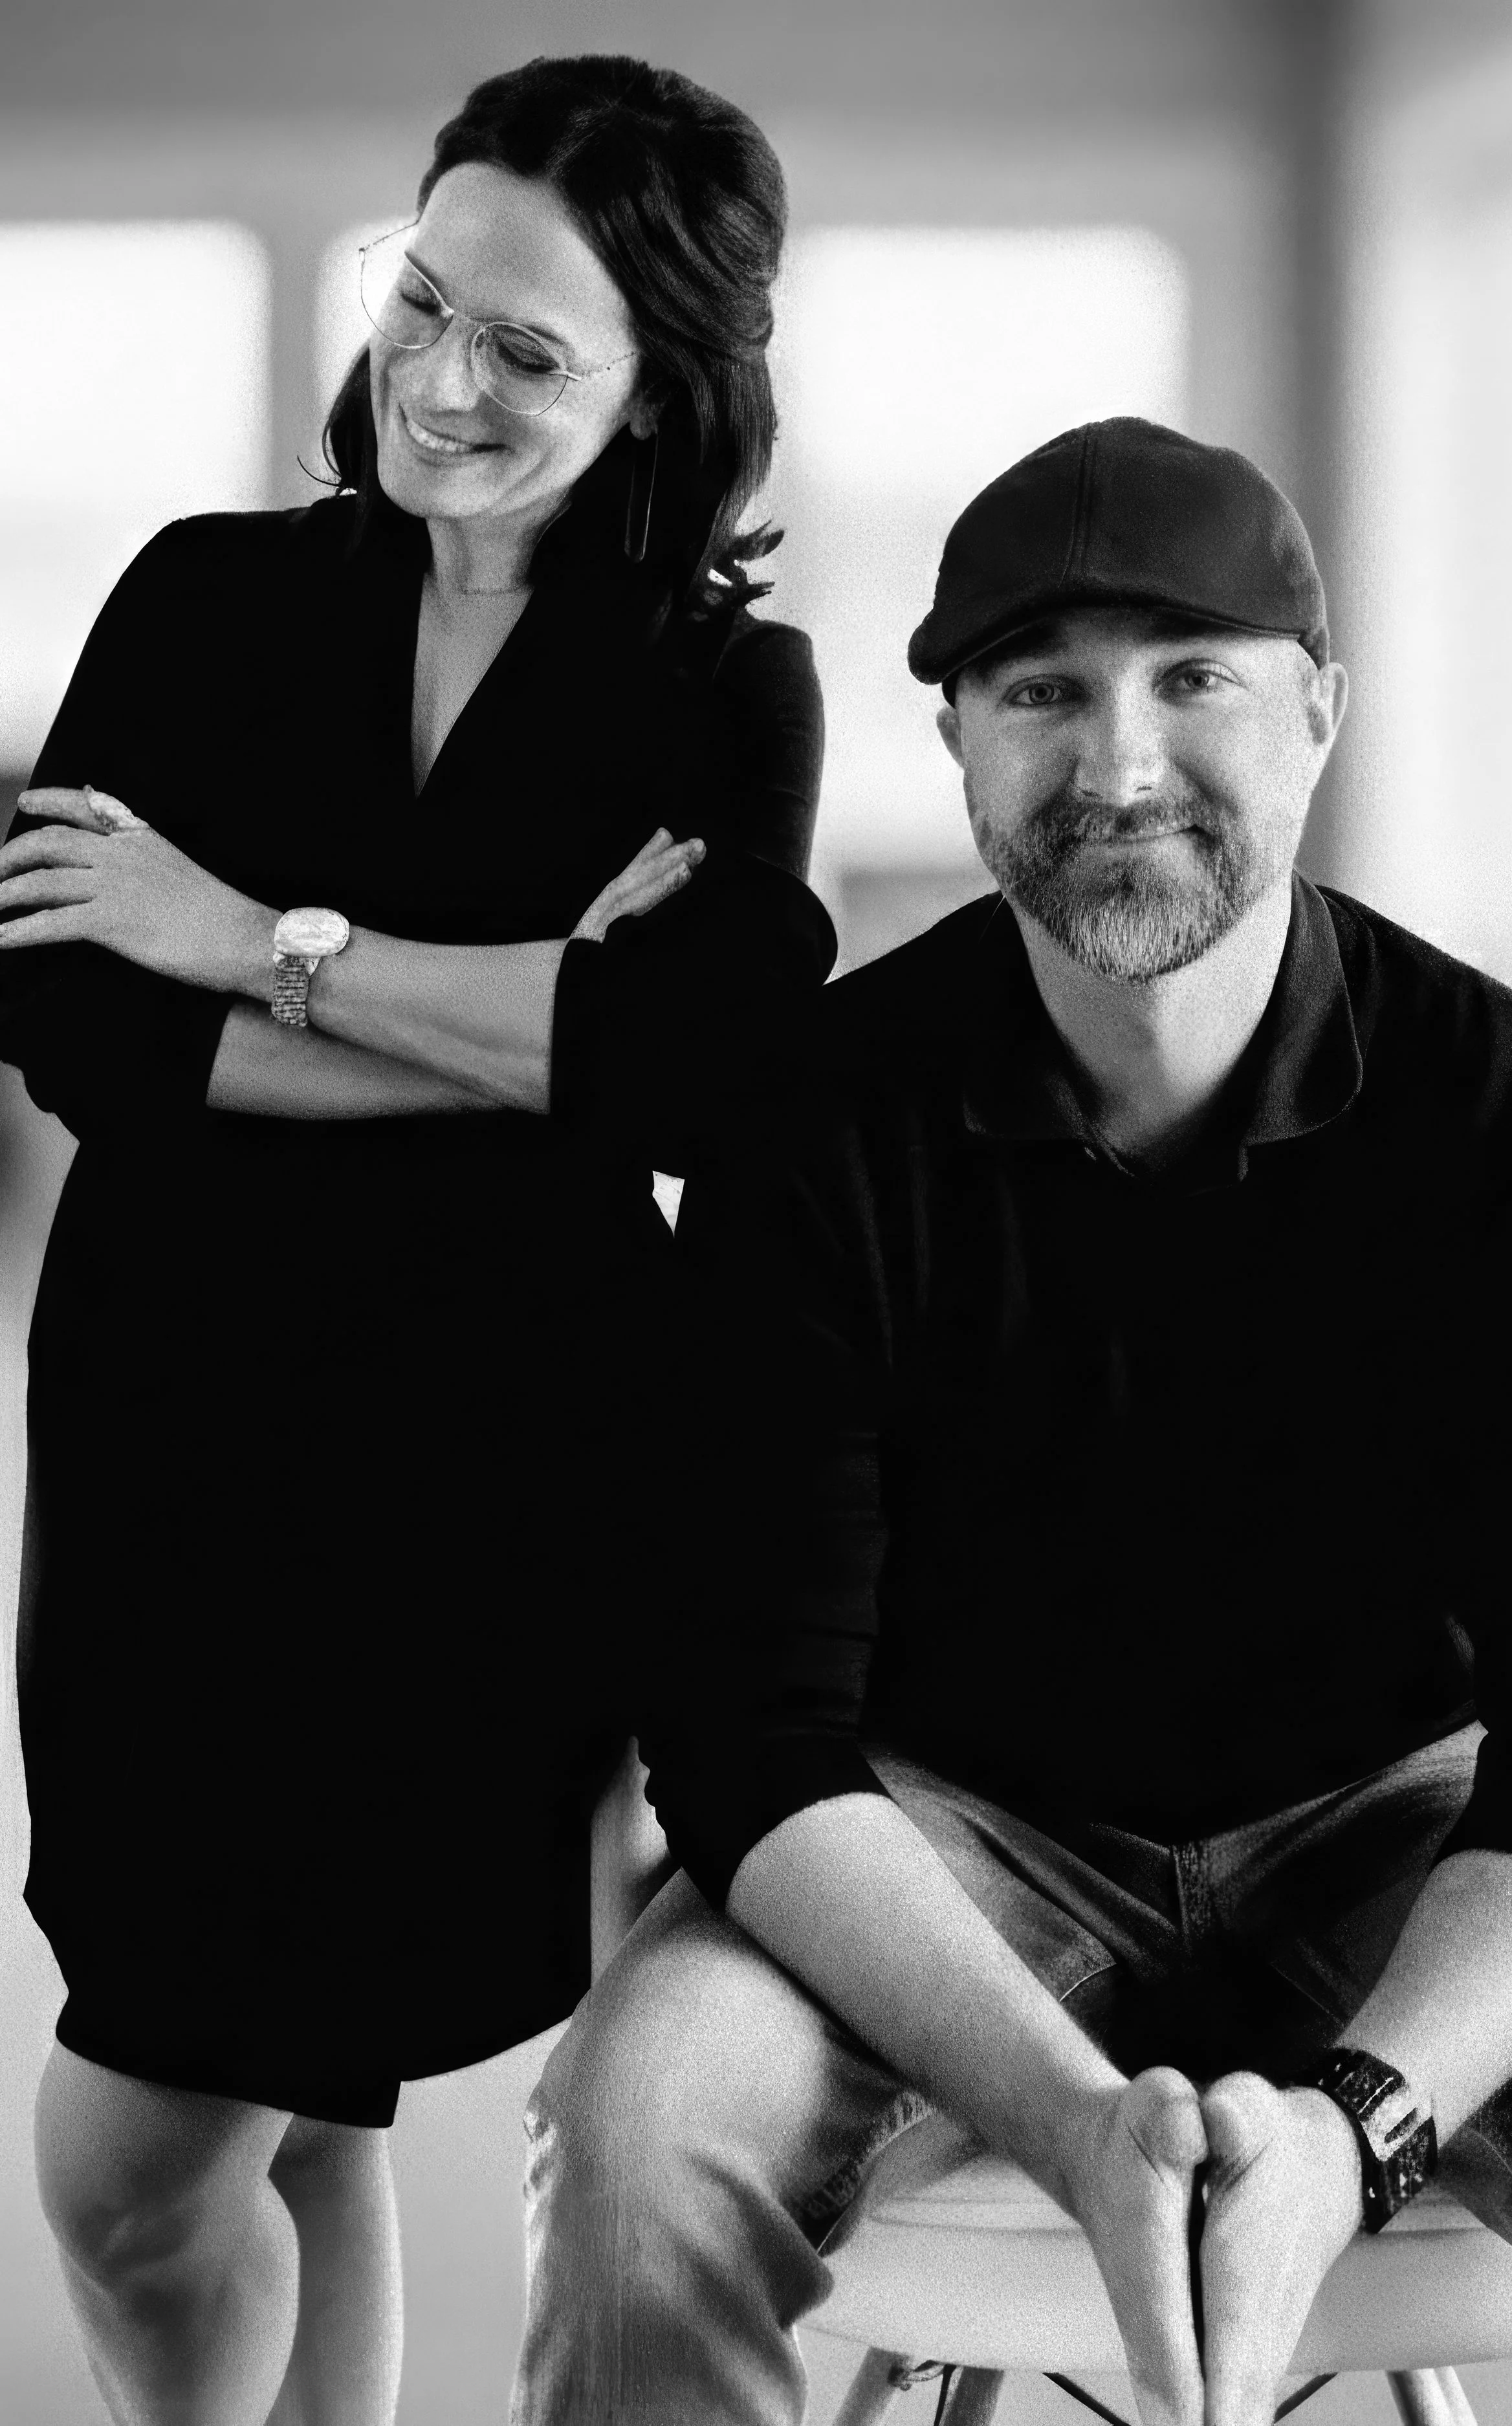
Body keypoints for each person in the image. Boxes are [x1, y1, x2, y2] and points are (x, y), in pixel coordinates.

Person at [513, 419, 1512, 2426]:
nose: (1116, 767)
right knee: (640, 2119)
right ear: (955, 743)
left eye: (1191, 678)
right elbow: (749, 1730)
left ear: (1316, 715)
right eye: (1044, 694)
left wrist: (1358, 2123)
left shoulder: (1510, 1117)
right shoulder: (817, 1122)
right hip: (933, 1828)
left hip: (1393, 1819)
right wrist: (1080, 2121)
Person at [0, 52, 832, 2426]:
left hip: (489, 1473)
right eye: (425, 300)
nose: (439, 381)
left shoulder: (716, 679)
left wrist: (248, 933)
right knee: (264, 2091)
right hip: (169, 1435)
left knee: (152, 2143)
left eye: (530, 349)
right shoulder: (210, 591)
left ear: (668, 385)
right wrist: (518, 1013)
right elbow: (65, 1010)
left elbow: (703, 1068)